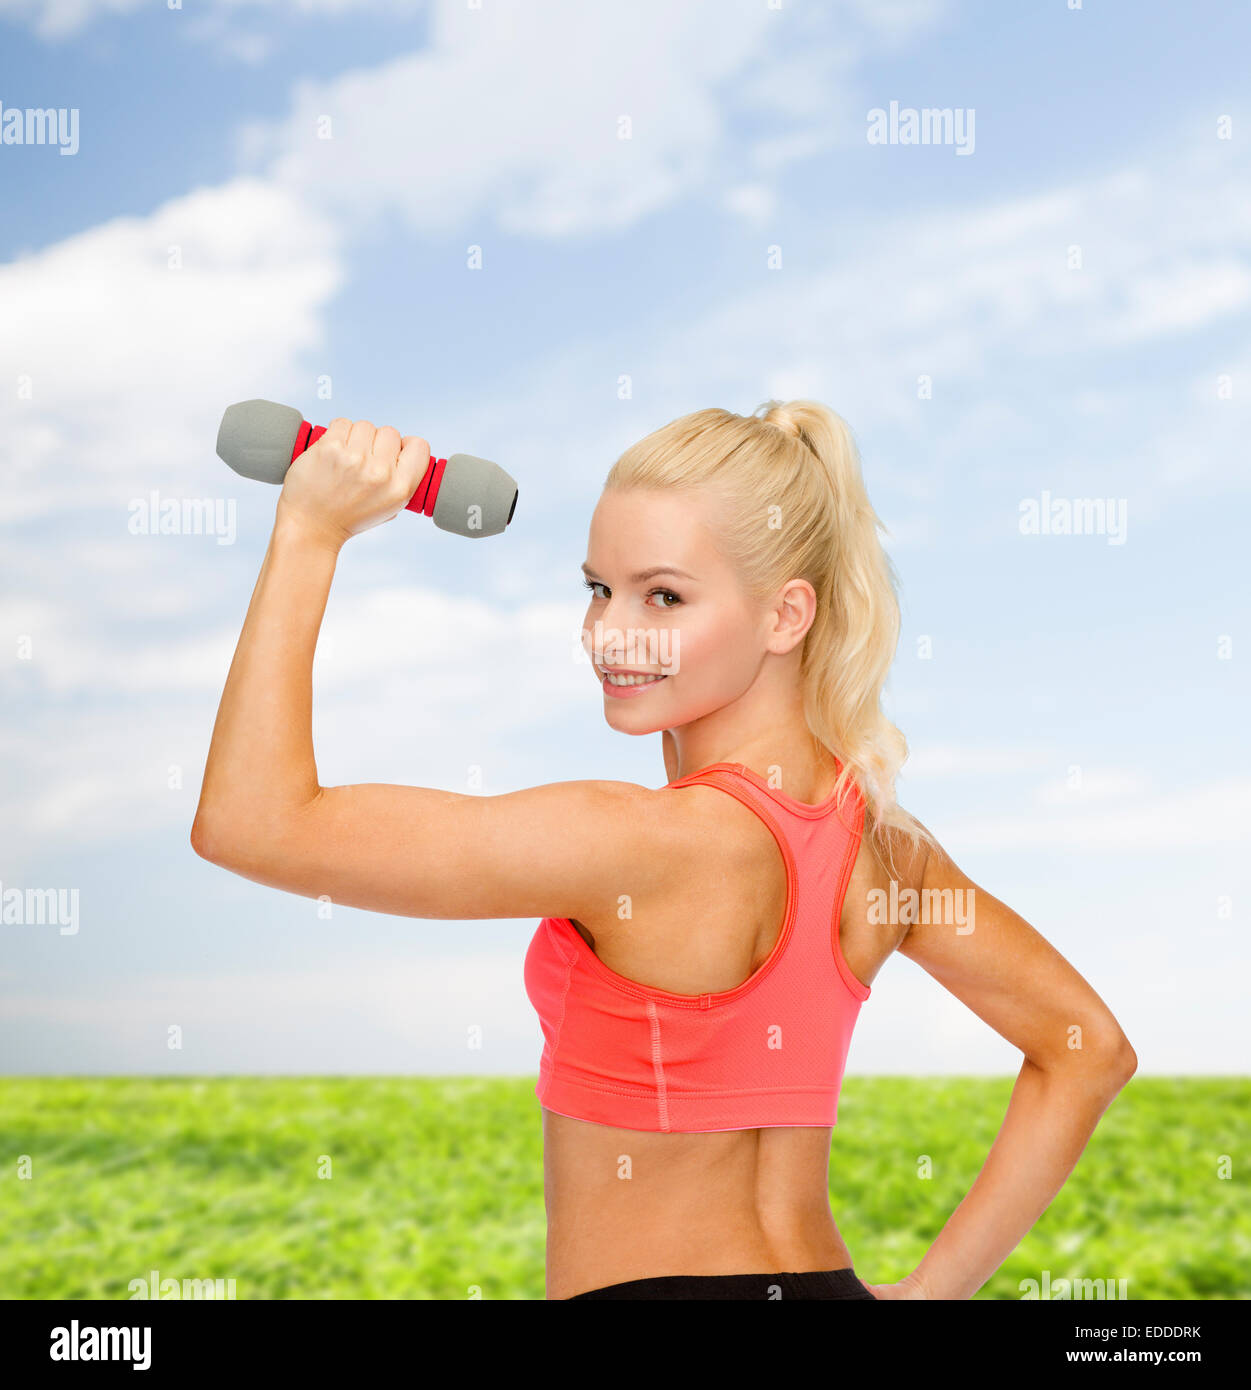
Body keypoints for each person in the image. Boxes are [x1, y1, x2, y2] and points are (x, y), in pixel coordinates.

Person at [191, 398, 1137, 1301]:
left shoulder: (640, 843)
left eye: (664, 597)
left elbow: (251, 823)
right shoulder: (886, 845)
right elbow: (1085, 1049)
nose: (610, 633)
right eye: (600, 589)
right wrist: (936, 1290)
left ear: (785, 616)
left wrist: (310, 532)